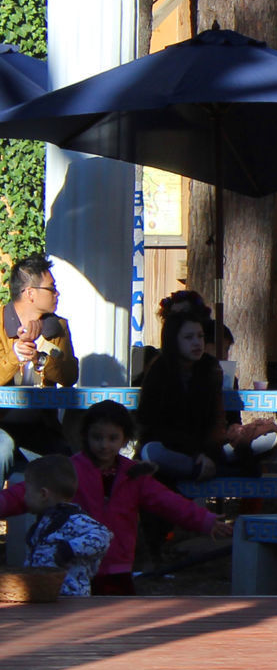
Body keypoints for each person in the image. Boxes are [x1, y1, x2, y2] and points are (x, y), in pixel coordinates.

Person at [0, 400, 232, 594]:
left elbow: (168, 502)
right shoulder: (70, 469)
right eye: (97, 437)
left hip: (117, 567)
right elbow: (28, 492)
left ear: (124, 439)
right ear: (85, 437)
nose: (104, 445)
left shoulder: (134, 474)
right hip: (73, 568)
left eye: (112, 438)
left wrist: (205, 520)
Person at [137, 313, 277, 483]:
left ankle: (206, 469)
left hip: (209, 447)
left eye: (200, 336)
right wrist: (194, 453)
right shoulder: (160, 370)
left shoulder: (210, 367)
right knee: (151, 451)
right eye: (189, 337)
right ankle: (207, 469)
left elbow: (216, 421)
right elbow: (152, 426)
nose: (197, 342)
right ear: (174, 340)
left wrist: (218, 444)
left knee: (269, 438)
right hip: (174, 448)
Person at [0, 254, 78, 480]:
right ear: (30, 293)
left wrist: (41, 359)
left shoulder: (58, 326)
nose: (57, 293)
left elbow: (70, 375)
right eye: (51, 288)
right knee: (2, 448)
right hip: (2, 422)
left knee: (68, 466)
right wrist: (15, 356)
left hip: (41, 425)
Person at [18, 454, 112, 597]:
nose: (24, 497)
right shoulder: (43, 524)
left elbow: (102, 535)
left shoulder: (73, 519)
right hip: (45, 597)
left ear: (43, 494)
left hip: (71, 600)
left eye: (27, 490)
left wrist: (70, 548)